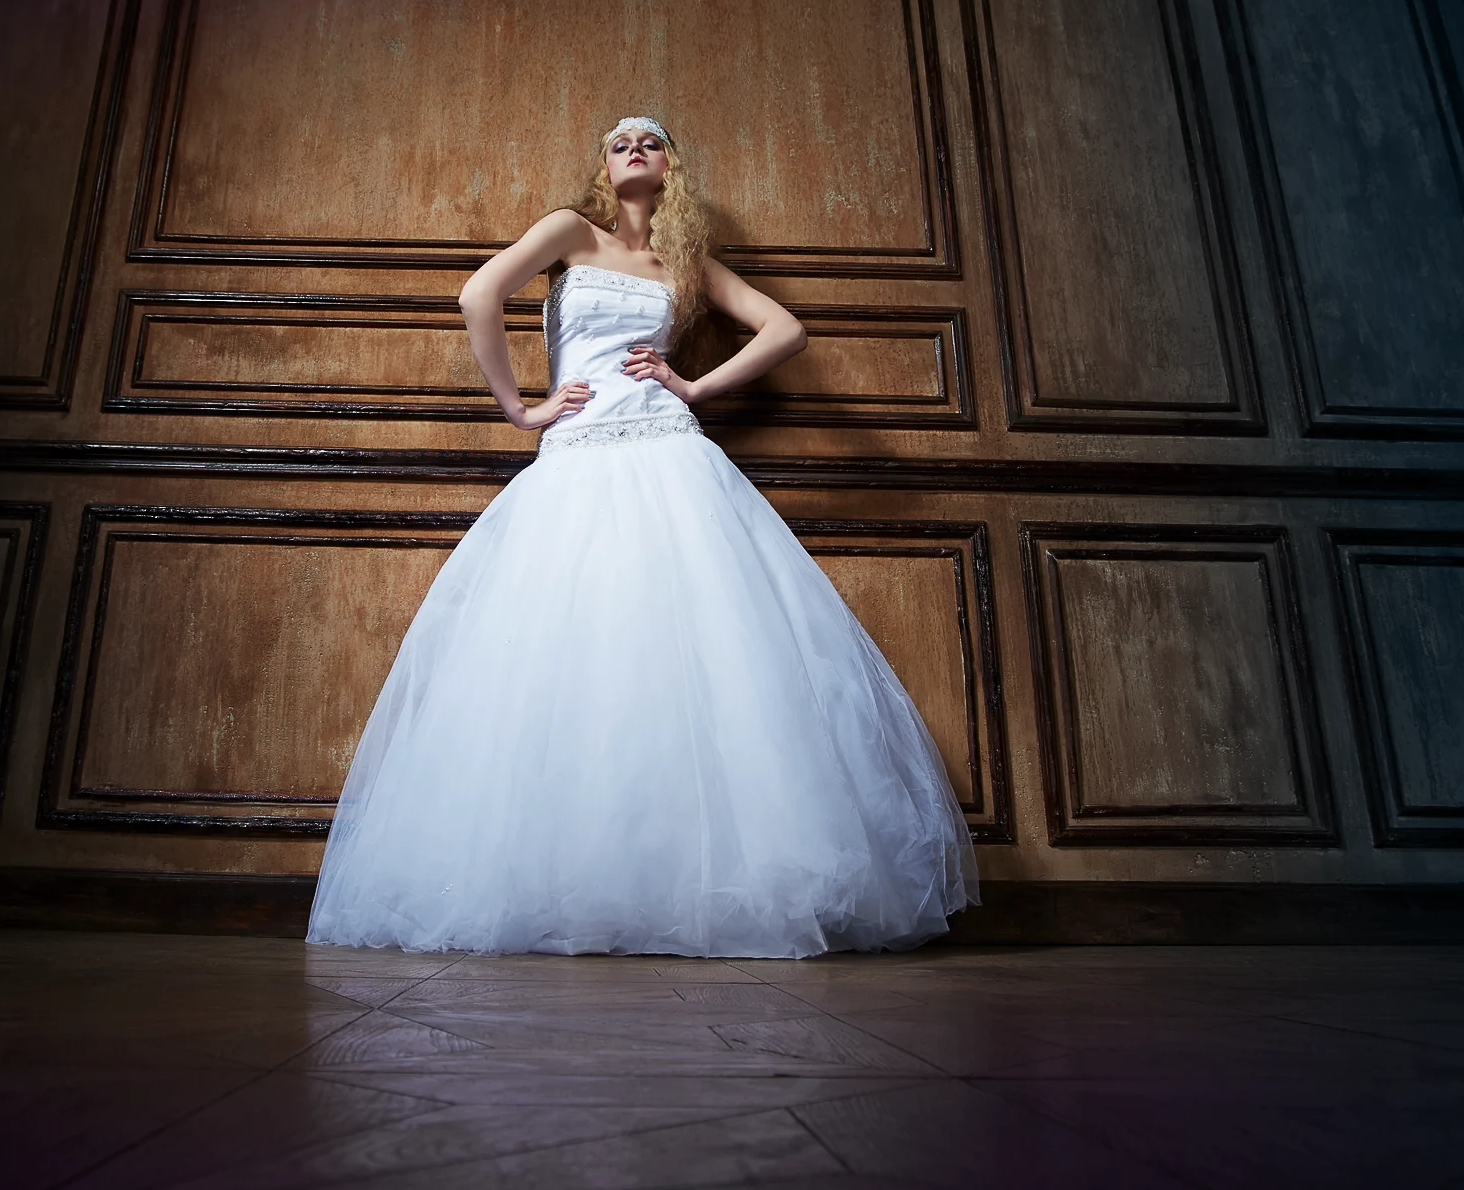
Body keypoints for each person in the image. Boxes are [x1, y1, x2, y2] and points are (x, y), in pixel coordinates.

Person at [306, 116, 978, 958]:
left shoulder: (682, 265)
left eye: (651, 139)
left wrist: (692, 384)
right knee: (572, 656)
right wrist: (521, 407)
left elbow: (785, 330)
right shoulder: (568, 231)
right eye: (619, 139)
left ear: (670, 169)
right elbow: (478, 295)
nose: (633, 145)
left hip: (671, 460)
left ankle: (689, 884)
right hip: (577, 463)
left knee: (695, 661)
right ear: (602, 163)